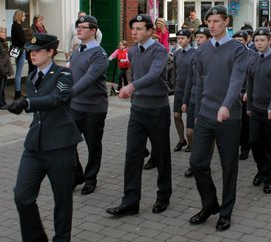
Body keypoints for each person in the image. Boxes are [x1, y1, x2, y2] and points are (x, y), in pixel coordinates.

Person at [9, 33, 82, 242]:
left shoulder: (64, 74)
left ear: (51, 52)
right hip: (35, 145)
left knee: (62, 198)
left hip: (60, 144)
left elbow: (57, 99)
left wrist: (27, 103)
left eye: (37, 50)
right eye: (30, 51)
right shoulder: (32, 76)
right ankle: (36, 237)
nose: (32, 54)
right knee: (22, 195)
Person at [189, 5, 248, 231]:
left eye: (216, 21)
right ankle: (209, 203)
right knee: (197, 162)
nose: (211, 26)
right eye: (209, 22)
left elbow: (236, 81)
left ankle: (226, 212)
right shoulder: (202, 50)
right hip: (205, 114)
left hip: (228, 117)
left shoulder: (238, 50)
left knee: (228, 166)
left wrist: (226, 105)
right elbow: (200, 83)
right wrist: (196, 114)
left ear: (226, 22)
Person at [106, 14, 172, 217]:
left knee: (161, 154)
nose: (134, 32)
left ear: (150, 31)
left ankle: (163, 196)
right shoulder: (133, 51)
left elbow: (153, 75)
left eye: (140, 29)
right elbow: (135, 75)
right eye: (133, 28)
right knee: (133, 154)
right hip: (138, 110)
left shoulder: (159, 50)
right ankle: (130, 202)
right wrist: (133, 94)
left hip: (157, 109)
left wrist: (132, 87)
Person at [68, 15, 109, 196]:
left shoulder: (99, 54)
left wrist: (69, 94)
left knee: (93, 144)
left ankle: (91, 178)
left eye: (83, 27)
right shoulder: (77, 51)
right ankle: (77, 174)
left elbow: (89, 78)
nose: (79, 29)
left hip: (94, 107)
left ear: (93, 31)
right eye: (78, 26)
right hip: (75, 106)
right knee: (67, 141)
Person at [246, 27, 271, 194]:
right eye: (256, 41)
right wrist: (248, 106)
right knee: (255, 142)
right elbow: (249, 83)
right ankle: (262, 169)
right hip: (256, 109)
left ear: (269, 41)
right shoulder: (253, 59)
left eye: (262, 40)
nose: (259, 43)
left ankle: (268, 177)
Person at [182, 27, 212, 177]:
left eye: (202, 37)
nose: (198, 40)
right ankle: (194, 161)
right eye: (197, 37)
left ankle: (204, 163)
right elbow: (189, 79)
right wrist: (185, 100)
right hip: (194, 97)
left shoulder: (213, 54)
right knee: (190, 131)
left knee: (206, 135)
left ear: (208, 38)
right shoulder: (194, 55)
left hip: (207, 100)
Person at [172, 29, 195, 152]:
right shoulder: (177, 54)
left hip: (191, 90)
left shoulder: (194, 53)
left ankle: (191, 143)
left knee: (190, 122)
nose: (180, 40)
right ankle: (182, 140)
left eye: (182, 38)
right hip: (179, 90)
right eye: (178, 38)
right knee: (176, 115)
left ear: (189, 39)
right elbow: (176, 72)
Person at [0, 26, 14, 109]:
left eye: (4, 32)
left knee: (3, 86)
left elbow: (4, 55)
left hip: (4, 67)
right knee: (0, 87)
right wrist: (2, 70)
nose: (4, 34)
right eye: (2, 32)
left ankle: (2, 102)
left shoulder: (2, 42)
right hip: (0, 69)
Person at [12, 10, 28, 100]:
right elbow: (22, 39)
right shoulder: (18, 26)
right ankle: (17, 93)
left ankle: (17, 92)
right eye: (23, 16)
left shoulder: (14, 25)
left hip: (16, 50)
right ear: (19, 16)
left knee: (18, 72)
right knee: (19, 73)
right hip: (20, 50)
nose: (24, 17)